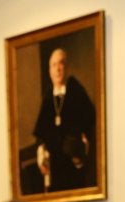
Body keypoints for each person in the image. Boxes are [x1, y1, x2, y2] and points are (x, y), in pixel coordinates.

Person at [32, 48, 97, 192]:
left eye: (61, 63)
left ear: (66, 67)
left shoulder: (76, 90)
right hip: (55, 166)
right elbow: (41, 134)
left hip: (74, 163)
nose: (57, 69)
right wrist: (41, 154)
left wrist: (80, 150)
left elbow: (89, 122)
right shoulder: (48, 97)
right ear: (49, 71)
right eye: (54, 65)